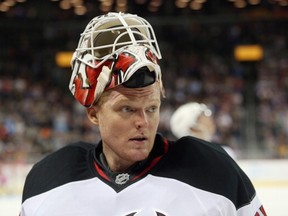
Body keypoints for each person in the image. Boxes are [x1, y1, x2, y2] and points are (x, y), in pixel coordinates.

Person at [20, 12, 267, 215]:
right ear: (93, 113)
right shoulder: (47, 180)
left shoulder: (214, 170)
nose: (143, 122)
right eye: (127, 109)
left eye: (152, 108)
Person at [170, 102, 237, 159]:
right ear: (192, 127)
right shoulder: (224, 154)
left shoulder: (225, 151)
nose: (210, 117)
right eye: (204, 114)